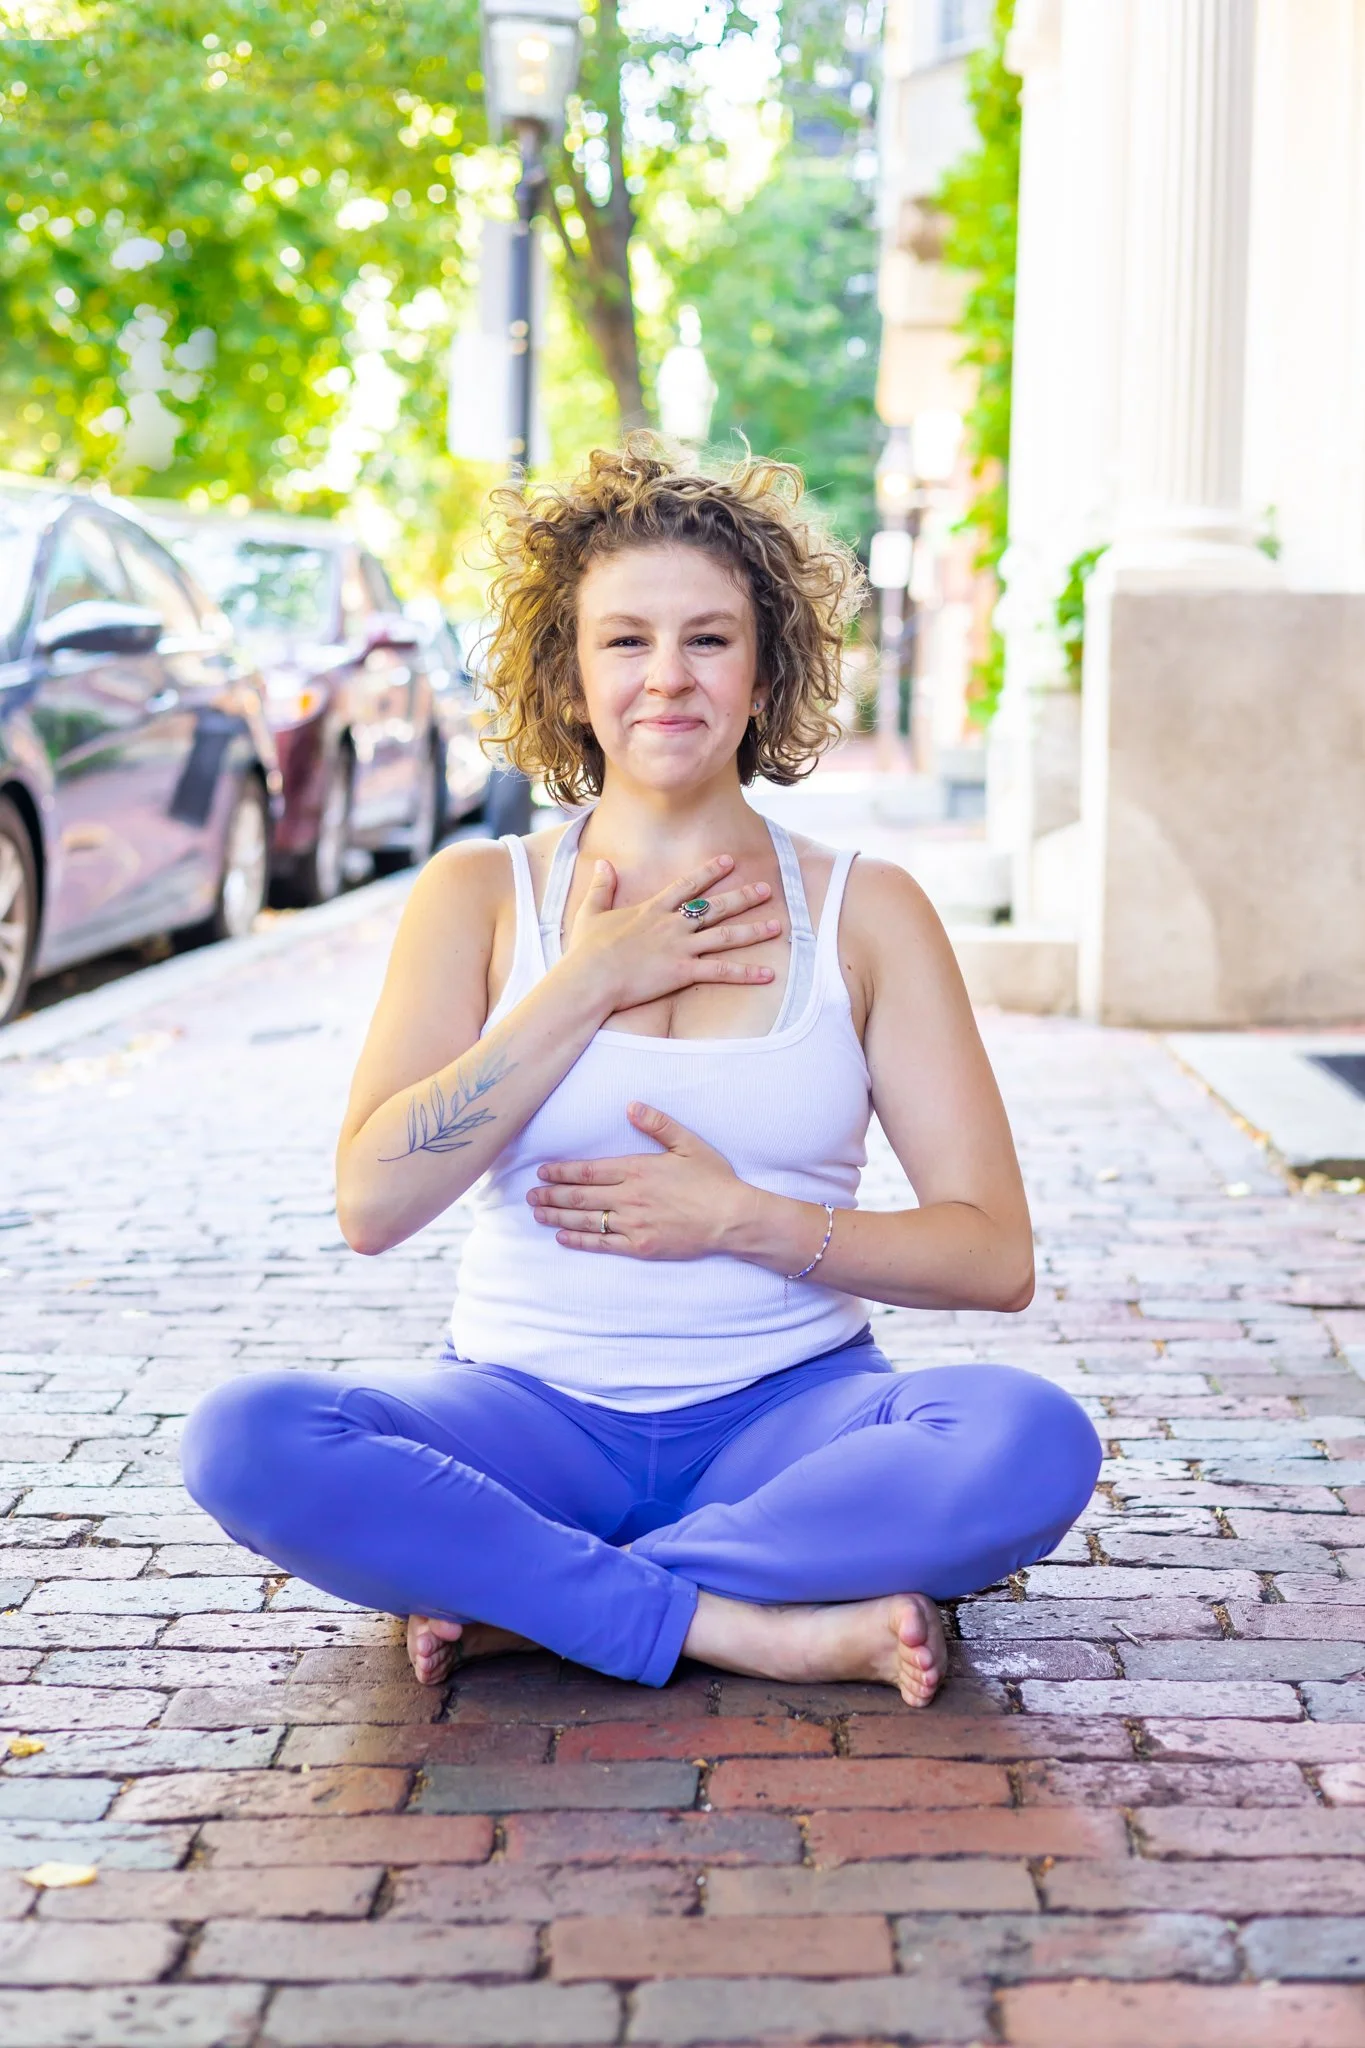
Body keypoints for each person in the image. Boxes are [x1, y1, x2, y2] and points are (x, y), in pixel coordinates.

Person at [182, 442, 1101, 1709]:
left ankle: (539, 1601)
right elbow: (373, 1206)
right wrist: (589, 980)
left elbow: (994, 1255)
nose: (666, 676)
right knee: (249, 1437)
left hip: (794, 1423)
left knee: (1029, 1440)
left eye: (708, 639)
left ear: (766, 668)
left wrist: (749, 1221)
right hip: (519, 1415)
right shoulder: (478, 898)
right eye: (625, 641)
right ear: (568, 674)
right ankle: (749, 1620)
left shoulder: (867, 912)